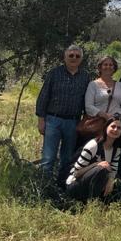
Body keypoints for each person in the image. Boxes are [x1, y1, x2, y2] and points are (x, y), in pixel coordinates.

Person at [36, 45, 90, 183]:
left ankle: (62, 187)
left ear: (81, 59)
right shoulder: (54, 73)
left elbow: (86, 100)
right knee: (48, 158)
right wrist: (41, 120)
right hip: (53, 120)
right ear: (65, 57)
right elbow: (43, 96)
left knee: (67, 158)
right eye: (71, 55)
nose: (74, 58)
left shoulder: (85, 76)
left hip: (73, 122)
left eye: (77, 56)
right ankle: (44, 187)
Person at [66, 118, 121, 202]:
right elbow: (76, 173)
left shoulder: (116, 150)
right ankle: (92, 202)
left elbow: (113, 171)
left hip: (95, 184)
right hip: (75, 185)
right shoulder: (93, 145)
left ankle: (98, 201)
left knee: (117, 182)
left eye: (119, 128)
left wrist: (110, 181)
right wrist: (96, 164)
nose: (115, 129)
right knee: (102, 169)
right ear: (106, 128)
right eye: (113, 126)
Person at [81, 55, 121, 136]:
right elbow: (88, 106)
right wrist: (104, 115)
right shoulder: (93, 85)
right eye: (105, 64)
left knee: (112, 148)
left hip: (114, 126)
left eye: (111, 65)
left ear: (114, 68)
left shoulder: (119, 85)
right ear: (100, 67)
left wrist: (118, 115)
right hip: (97, 124)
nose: (108, 67)